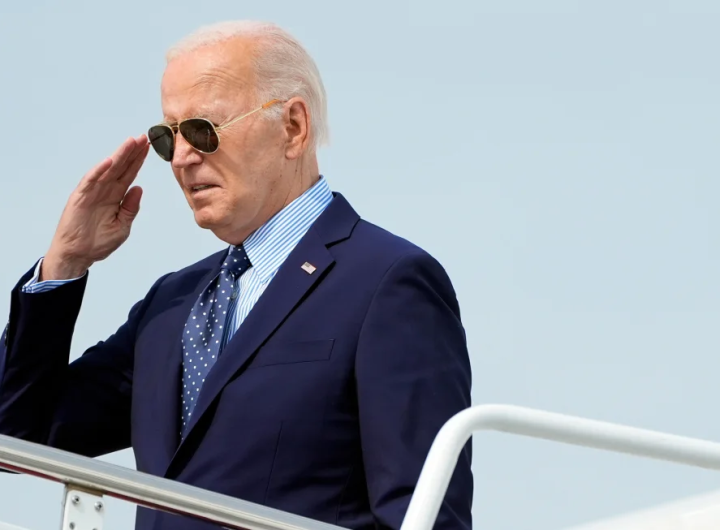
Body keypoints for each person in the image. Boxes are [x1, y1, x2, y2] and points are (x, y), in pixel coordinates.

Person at [0, 20, 473, 530]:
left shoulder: (387, 282)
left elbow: (423, 517)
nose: (182, 157)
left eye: (203, 130)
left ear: (293, 127)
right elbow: (21, 433)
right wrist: (65, 263)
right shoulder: (172, 302)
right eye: (168, 137)